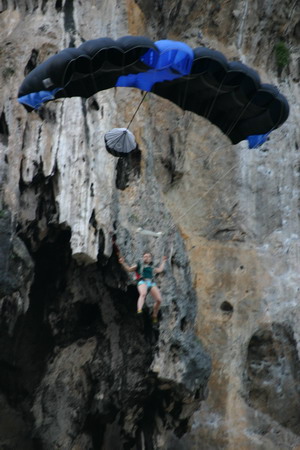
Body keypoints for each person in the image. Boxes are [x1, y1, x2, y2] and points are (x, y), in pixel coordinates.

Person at [119, 252, 167, 323]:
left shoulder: (152, 267)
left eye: (148, 256)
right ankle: (139, 310)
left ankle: (154, 315)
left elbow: (160, 270)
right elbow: (129, 269)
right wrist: (123, 263)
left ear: (151, 258)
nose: (146, 258)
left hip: (151, 282)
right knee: (143, 294)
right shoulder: (139, 265)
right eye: (145, 256)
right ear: (143, 258)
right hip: (142, 281)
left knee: (159, 300)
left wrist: (163, 261)